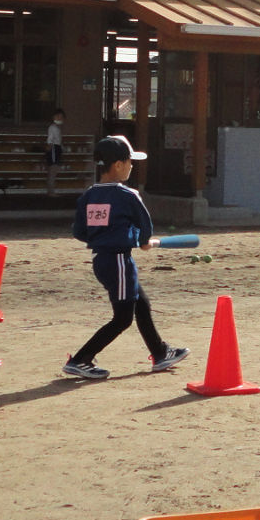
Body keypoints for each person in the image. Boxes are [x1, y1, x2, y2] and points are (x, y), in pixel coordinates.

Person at [64, 136, 189, 380]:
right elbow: (145, 226)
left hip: (102, 260)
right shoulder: (127, 195)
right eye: (130, 161)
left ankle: (160, 352)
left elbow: (79, 231)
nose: (132, 166)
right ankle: (80, 359)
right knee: (122, 318)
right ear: (118, 165)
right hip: (119, 261)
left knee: (140, 302)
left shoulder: (89, 195)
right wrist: (142, 241)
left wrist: (104, 238)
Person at [44, 107, 68, 195]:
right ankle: (51, 191)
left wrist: (62, 148)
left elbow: (58, 141)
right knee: (53, 169)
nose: (60, 119)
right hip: (53, 148)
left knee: (54, 169)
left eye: (61, 117)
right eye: (58, 116)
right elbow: (50, 139)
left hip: (56, 148)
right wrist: (49, 148)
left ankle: (51, 190)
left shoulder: (57, 128)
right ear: (54, 117)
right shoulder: (52, 127)